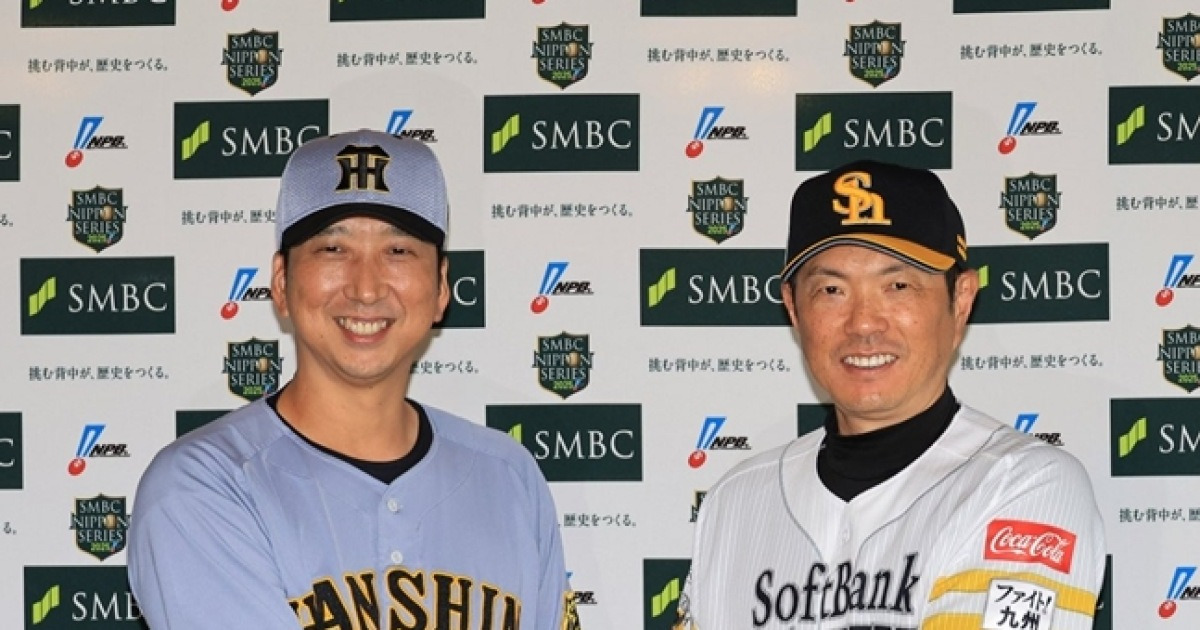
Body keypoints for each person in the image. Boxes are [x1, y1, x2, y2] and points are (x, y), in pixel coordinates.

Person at [128, 129, 579, 630]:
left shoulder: (510, 479)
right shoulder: (203, 486)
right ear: (281, 281)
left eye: (398, 251)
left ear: (440, 288)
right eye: (333, 249)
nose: (366, 288)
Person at [675, 160, 1105, 629]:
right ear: (793, 307)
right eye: (832, 290)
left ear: (960, 299)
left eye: (897, 286)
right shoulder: (735, 502)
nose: (863, 323)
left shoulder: (1021, 483)